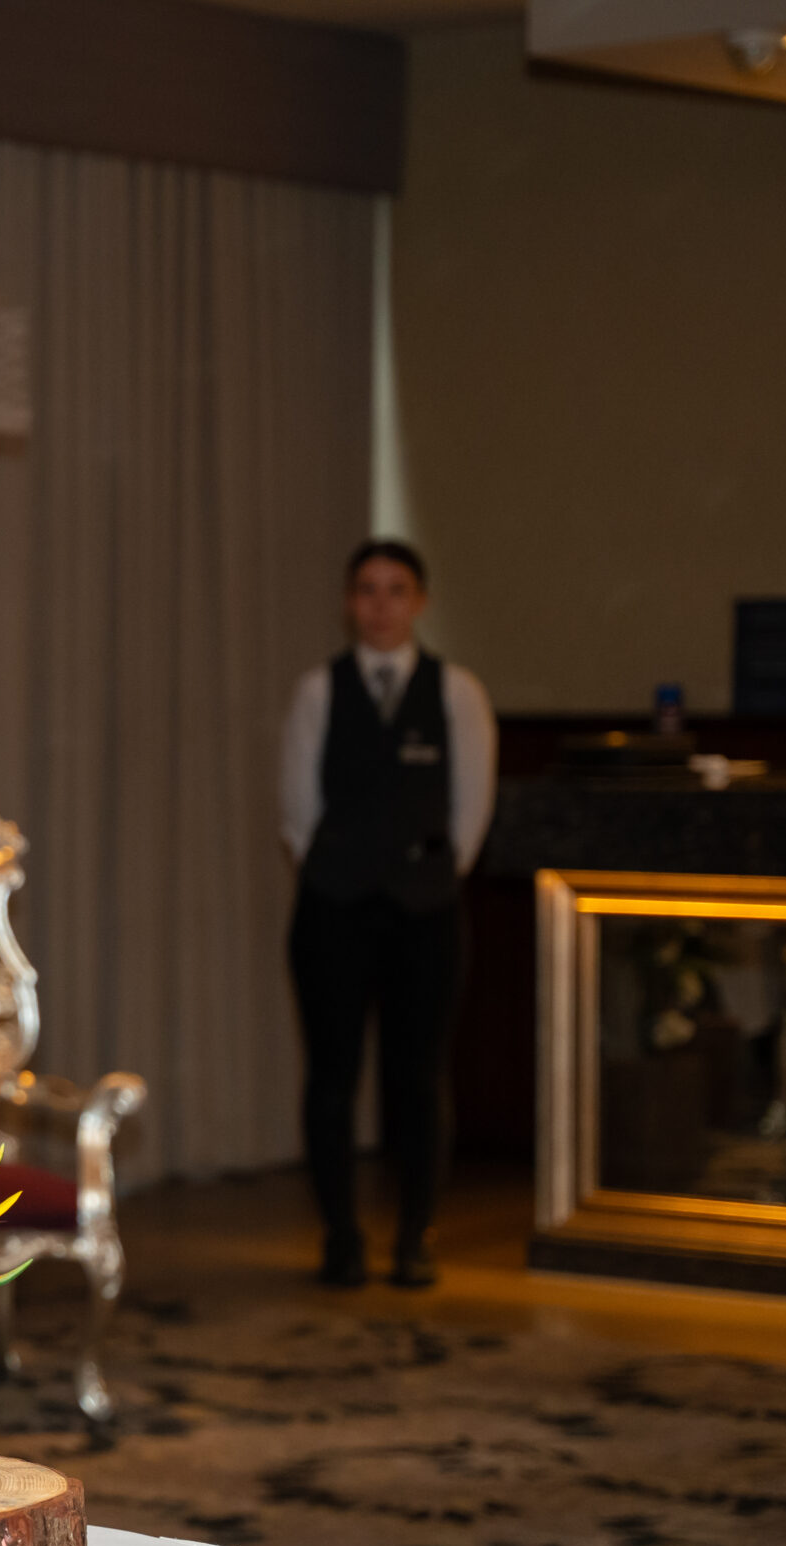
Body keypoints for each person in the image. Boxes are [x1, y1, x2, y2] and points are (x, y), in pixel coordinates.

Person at [279, 539, 495, 1290]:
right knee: (332, 1078)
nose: (380, 604)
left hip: (425, 911)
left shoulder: (457, 692)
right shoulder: (318, 691)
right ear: (349, 602)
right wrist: (345, 869)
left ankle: (415, 1236)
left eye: (395, 590)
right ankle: (341, 1235)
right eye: (366, 590)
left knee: (420, 1078)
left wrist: (424, 875)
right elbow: (298, 812)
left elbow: (470, 812)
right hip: (333, 910)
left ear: (419, 602)